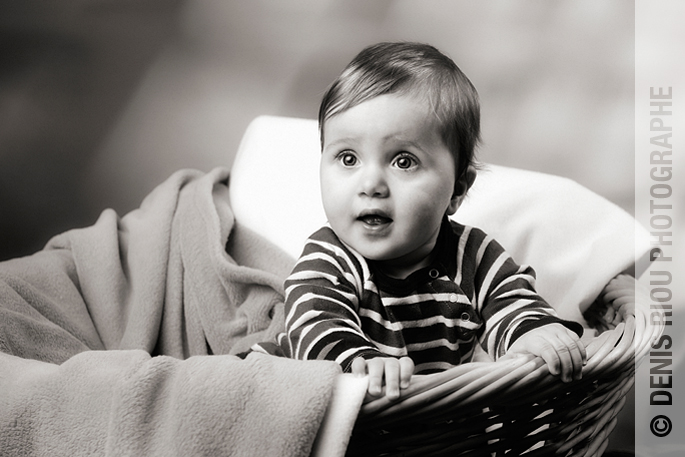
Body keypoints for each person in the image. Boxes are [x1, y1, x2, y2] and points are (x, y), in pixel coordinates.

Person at [258, 42, 585, 400]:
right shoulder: (329, 258)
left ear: (458, 189)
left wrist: (531, 332)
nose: (370, 185)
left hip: (423, 422)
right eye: (348, 158)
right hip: (310, 397)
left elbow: (510, 299)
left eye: (403, 161)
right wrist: (360, 360)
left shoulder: (472, 256)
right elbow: (316, 326)